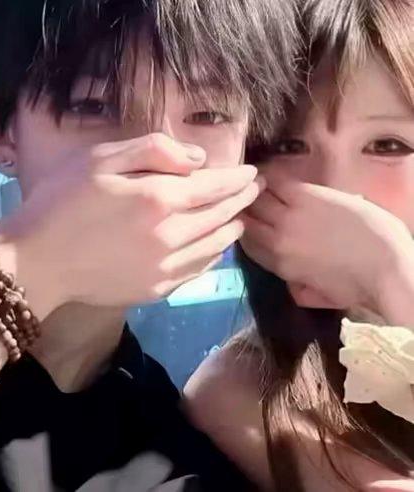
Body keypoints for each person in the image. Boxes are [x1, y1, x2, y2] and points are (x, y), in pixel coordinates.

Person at [0, 0, 301, 490]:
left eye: (208, 114)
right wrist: (23, 266)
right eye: (94, 105)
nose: (161, 158)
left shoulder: (178, 456)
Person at [185, 0, 414, 491]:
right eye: (289, 146)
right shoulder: (239, 390)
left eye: (387, 145)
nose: (335, 189)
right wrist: (391, 276)